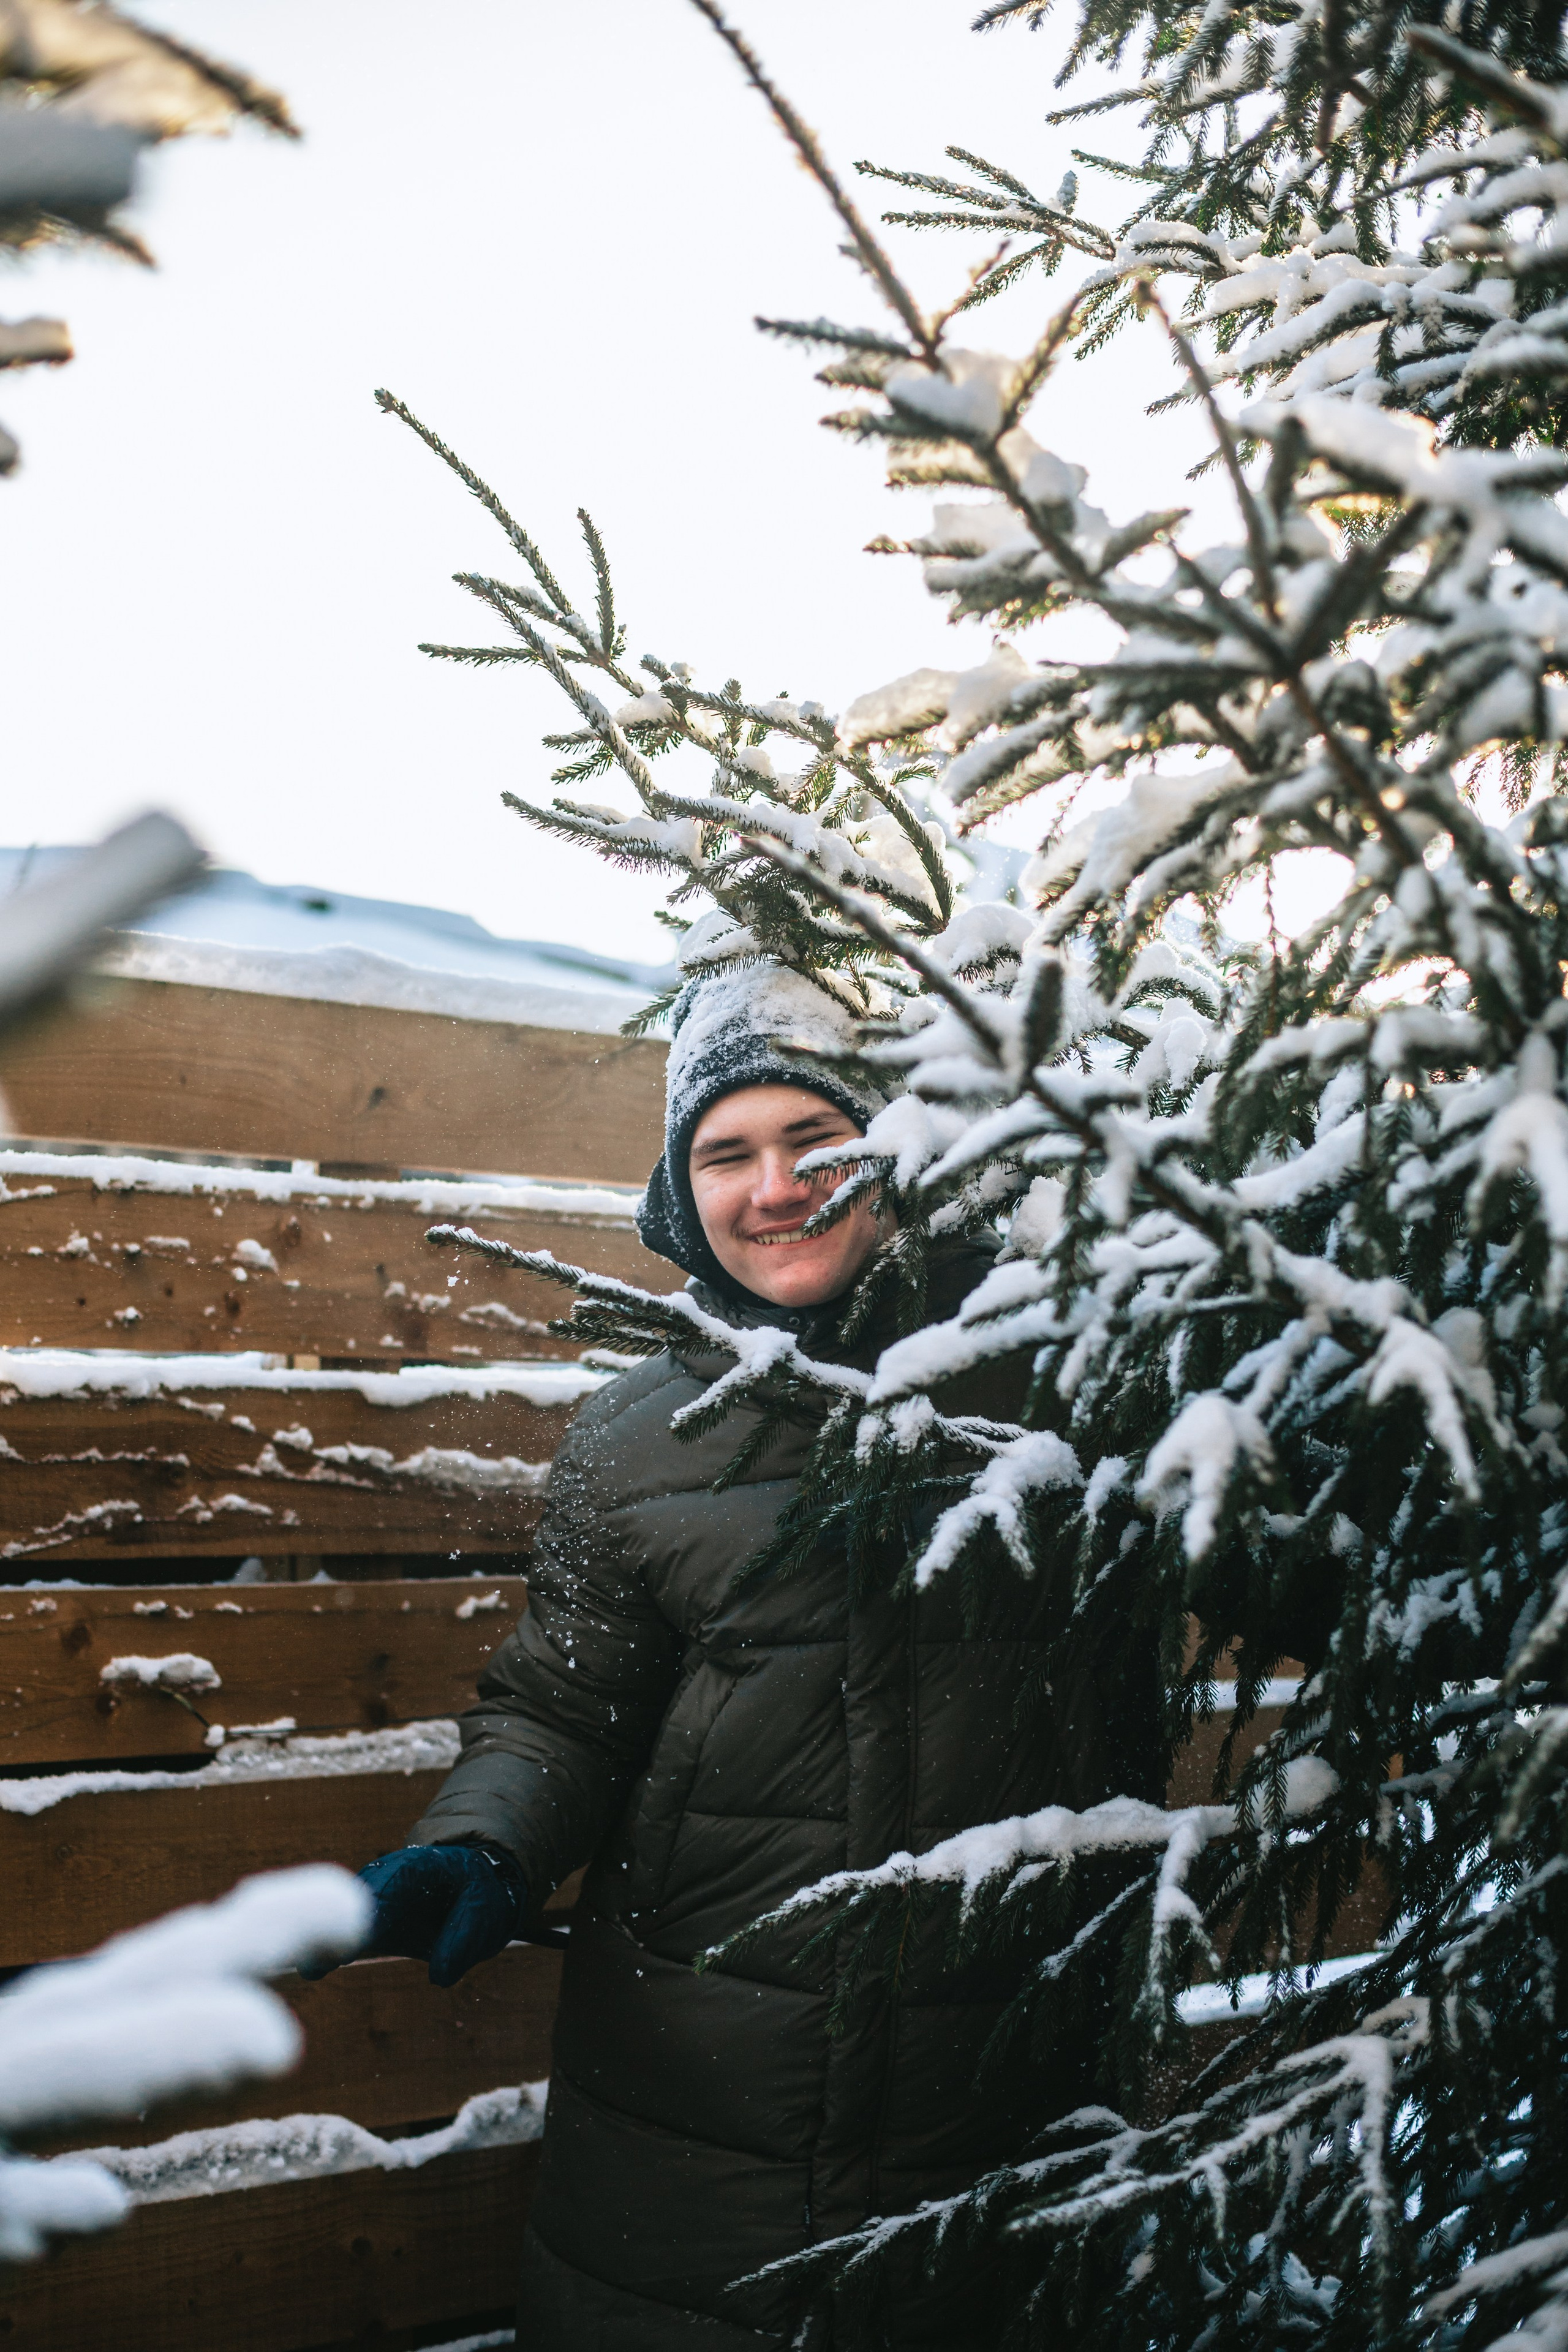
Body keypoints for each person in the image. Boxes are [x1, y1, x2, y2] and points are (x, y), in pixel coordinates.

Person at [307, 963, 1153, 2348]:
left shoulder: (1061, 1380)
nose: (774, 1187)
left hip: (993, 2068)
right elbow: (562, 1713)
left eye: (815, 1140)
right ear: (678, 1190)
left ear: (894, 1150)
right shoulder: (634, 1436)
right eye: (725, 1153)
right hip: (688, 2082)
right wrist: (484, 1845)